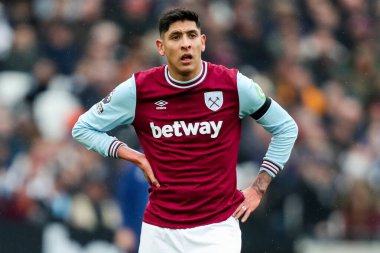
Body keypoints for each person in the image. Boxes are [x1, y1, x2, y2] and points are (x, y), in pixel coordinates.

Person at [72, 8, 298, 253]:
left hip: (217, 229)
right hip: (159, 231)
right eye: (176, 37)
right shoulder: (139, 89)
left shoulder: (232, 85)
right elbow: (83, 128)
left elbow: (286, 128)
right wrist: (133, 155)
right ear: (161, 46)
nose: (185, 44)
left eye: (192, 35)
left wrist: (259, 187)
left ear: (202, 42)